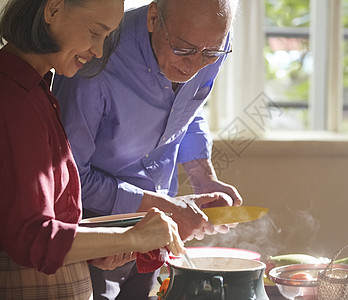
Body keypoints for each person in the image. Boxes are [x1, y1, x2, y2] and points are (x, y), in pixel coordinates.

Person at [52, 0, 242, 298]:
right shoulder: (95, 59)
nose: (194, 65)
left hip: (156, 226)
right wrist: (167, 208)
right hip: (96, 229)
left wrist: (203, 176)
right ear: (154, 17)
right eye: (183, 50)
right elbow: (70, 181)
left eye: (211, 53)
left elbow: (187, 106)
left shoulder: (210, 40)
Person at [0, 0, 186, 299]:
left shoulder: (37, 91)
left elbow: (38, 224)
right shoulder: (13, 101)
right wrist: (132, 236)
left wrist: (106, 243)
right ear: (53, 9)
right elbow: (31, 239)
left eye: (106, 37)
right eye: (95, 32)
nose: (99, 51)